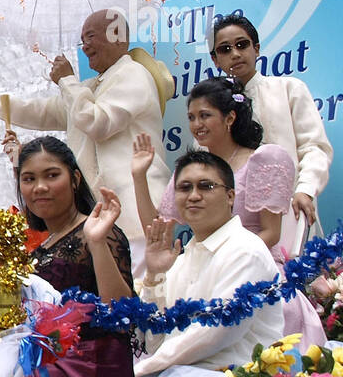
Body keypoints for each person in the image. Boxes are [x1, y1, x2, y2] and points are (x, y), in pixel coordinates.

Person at [0, 8, 171, 270]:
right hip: (101, 219)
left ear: (118, 37)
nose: (85, 47)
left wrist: (66, 80)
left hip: (134, 215)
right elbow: (40, 112)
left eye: (90, 37)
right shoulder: (90, 87)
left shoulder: (135, 75)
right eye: (82, 40)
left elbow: (98, 122)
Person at [132, 77, 324, 341]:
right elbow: (157, 230)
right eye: (191, 117)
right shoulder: (190, 170)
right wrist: (139, 176)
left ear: (230, 118)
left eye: (204, 115)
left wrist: (224, 260)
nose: (196, 125)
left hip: (255, 270)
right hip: (202, 270)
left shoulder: (265, 158)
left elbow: (271, 232)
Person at [135, 151, 283, 377]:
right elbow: (155, 341)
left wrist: (139, 372)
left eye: (206, 186)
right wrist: (155, 275)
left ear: (230, 196)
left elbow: (215, 333)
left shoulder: (246, 251)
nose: (193, 196)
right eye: (185, 188)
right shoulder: (181, 259)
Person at [14, 137, 136, 377]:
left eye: (52, 175)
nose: (40, 187)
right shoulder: (38, 246)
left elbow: (121, 310)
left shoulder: (101, 233)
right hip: (47, 373)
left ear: (75, 179)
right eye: (29, 179)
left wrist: (96, 242)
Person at [208, 13, 331, 228]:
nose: (235, 54)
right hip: (238, 222)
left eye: (242, 45)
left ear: (256, 48)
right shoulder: (214, 109)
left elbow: (315, 148)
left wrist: (305, 190)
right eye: (225, 49)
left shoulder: (289, 89)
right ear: (215, 60)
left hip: (292, 207)